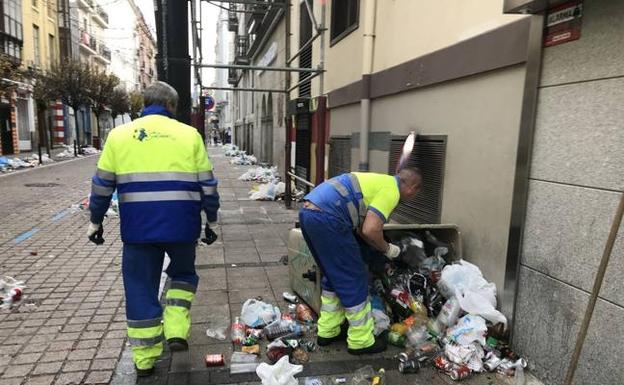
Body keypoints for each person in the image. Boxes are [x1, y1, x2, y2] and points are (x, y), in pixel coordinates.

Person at [86, 81, 220, 376]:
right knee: (183, 274)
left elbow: (101, 186)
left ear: (143, 104)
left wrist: (95, 222)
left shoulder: (119, 136)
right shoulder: (190, 135)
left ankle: (145, 359)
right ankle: (175, 327)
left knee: (139, 286)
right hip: (183, 227)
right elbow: (208, 185)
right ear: (172, 105)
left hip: (138, 230)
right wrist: (211, 221)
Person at [299, 168, 422, 355]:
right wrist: (388, 249)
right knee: (354, 278)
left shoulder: (379, 181)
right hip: (329, 218)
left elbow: (361, 229)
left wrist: (378, 246)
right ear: (412, 189)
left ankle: (328, 331)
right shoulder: (392, 191)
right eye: (415, 193)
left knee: (333, 276)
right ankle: (360, 340)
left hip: (309, 213)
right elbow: (371, 229)